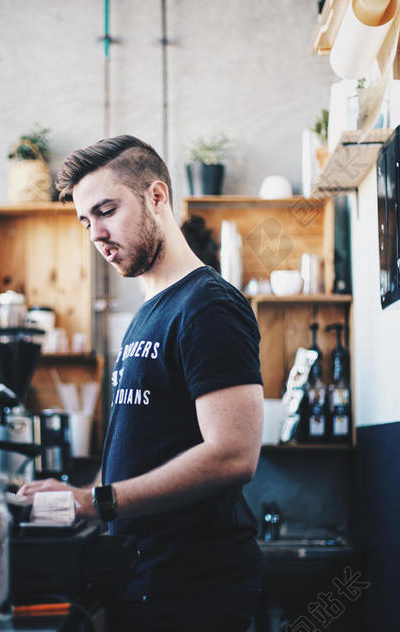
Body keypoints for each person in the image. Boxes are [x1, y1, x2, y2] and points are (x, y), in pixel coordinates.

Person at [19, 135, 264, 631]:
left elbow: (234, 454)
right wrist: (82, 497)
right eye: (86, 221)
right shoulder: (147, 313)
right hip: (146, 577)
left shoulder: (207, 306)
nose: (96, 234)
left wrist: (98, 501)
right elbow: (147, 452)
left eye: (106, 211)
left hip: (195, 590)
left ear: (157, 197)